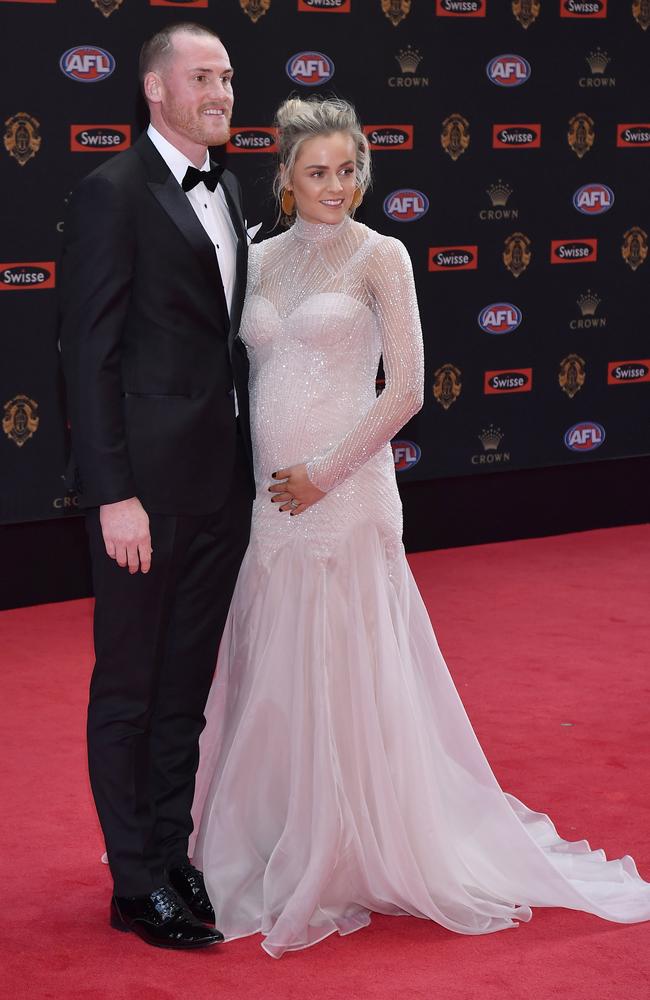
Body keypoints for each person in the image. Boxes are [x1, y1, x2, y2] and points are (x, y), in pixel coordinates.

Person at [191, 96, 650, 958]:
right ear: (285, 180)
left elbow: (406, 389)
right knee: (277, 670)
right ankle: (277, 835)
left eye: (349, 169)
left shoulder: (382, 255)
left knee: (349, 672)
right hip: (271, 505)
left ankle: (355, 844)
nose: (338, 186)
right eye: (318, 172)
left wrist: (323, 476)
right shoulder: (256, 256)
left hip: (345, 500)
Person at [59, 23, 253, 949]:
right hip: (143, 494)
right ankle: (133, 883)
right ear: (154, 89)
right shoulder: (112, 195)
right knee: (130, 689)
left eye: (226, 77)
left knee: (185, 688)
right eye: (202, 76)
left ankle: (171, 857)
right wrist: (113, 495)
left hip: (222, 489)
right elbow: (88, 358)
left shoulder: (233, 187)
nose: (220, 91)